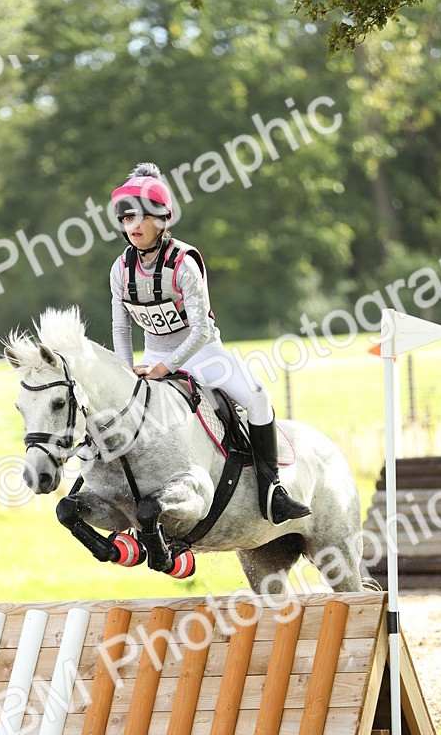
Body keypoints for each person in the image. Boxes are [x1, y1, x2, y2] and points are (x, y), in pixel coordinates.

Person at [109, 161, 310, 524]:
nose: (132, 226)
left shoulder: (184, 263)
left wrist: (165, 368)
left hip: (203, 353)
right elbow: (121, 329)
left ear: (161, 218)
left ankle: (271, 491)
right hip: (153, 353)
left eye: (140, 217)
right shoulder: (120, 269)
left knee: (258, 397)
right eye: (126, 220)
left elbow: (201, 330)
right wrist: (127, 373)